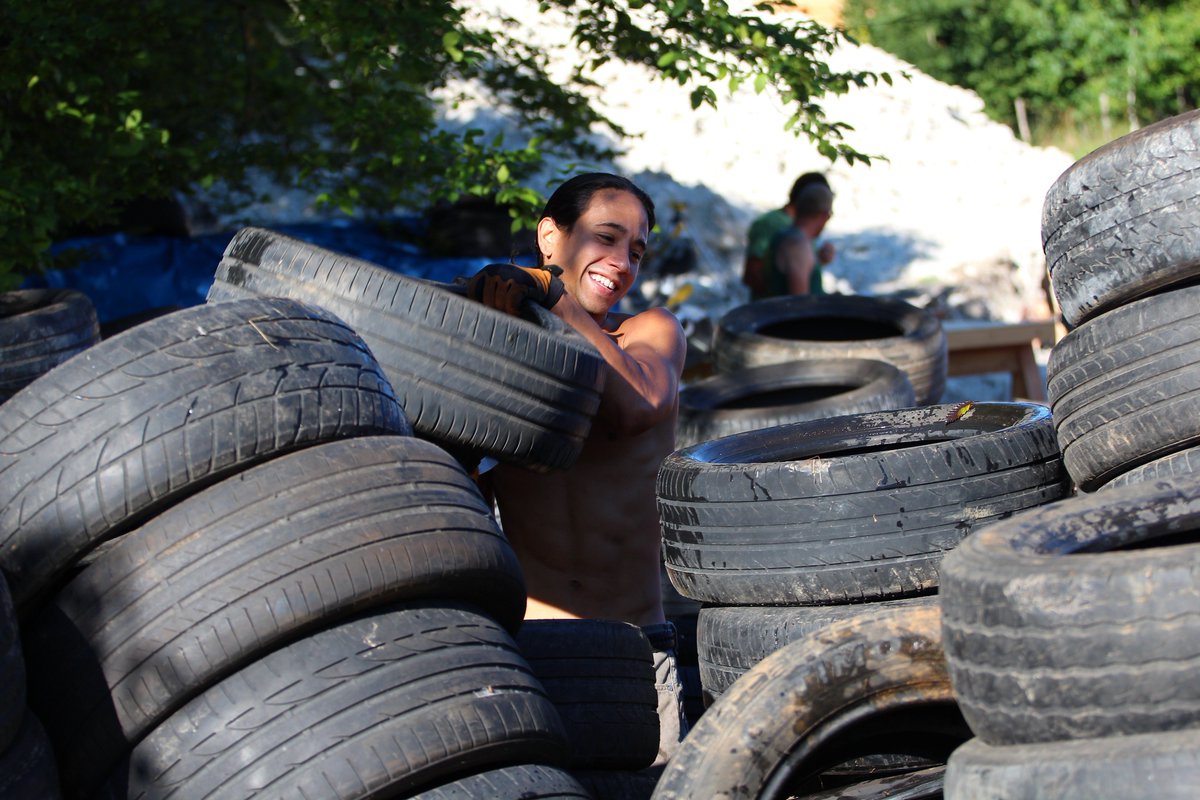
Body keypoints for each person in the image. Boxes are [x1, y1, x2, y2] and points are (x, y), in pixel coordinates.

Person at [466, 173, 690, 764]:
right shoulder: (498, 351)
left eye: (635, 252)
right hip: (529, 648)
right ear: (551, 236)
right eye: (606, 238)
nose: (621, 263)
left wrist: (553, 295)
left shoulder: (649, 332)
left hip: (633, 648)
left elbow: (637, 404)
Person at [742, 172, 836, 299]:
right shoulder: (778, 228)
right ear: (824, 215)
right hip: (774, 309)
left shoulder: (798, 233)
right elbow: (800, 303)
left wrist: (816, 261)